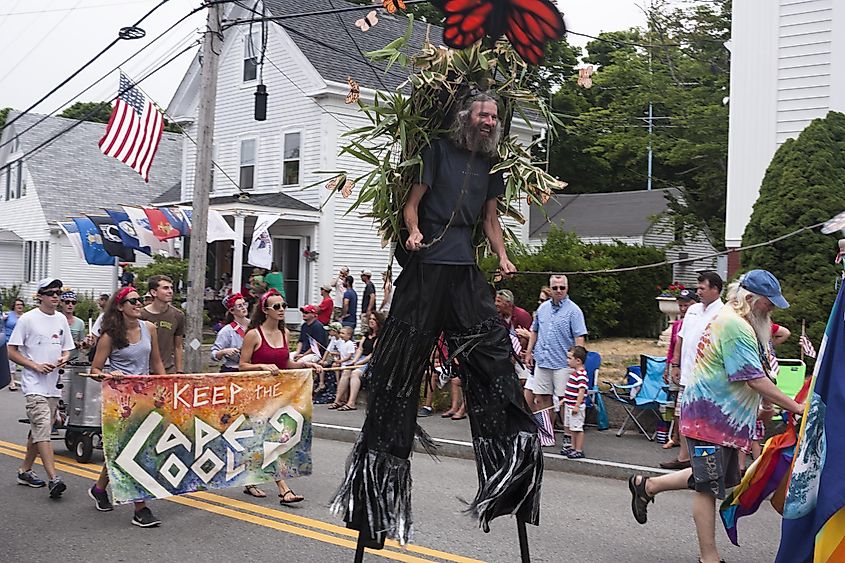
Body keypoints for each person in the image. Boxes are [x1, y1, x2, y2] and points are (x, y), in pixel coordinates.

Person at [331, 92, 542, 544]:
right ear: (466, 116)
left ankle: (511, 474)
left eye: (494, 116)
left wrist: (503, 258)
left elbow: (490, 221)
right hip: (426, 269)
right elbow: (412, 204)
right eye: (482, 114)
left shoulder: (494, 166)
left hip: (465, 271)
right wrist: (412, 231)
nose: (488, 121)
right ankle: (375, 502)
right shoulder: (436, 150)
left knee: (495, 361)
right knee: (398, 372)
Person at [628, 270, 805, 563]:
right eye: (768, 303)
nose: (772, 309)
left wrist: (766, 408)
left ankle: (647, 486)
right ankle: (709, 557)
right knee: (708, 486)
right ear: (750, 299)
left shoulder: (743, 321)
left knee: (717, 478)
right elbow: (754, 379)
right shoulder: (734, 326)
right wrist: (796, 407)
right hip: (708, 420)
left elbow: (756, 375)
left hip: (721, 421)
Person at [88, 286, 166, 527]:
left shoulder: (149, 328)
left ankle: (100, 488)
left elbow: (156, 363)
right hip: (119, 400)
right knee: (133, 452)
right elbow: (94, 370)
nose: (138, 303)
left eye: (140, 299)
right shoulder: (110, 335)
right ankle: (140, 508)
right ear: (120, 306)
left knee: (124, 450)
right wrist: (110, 374)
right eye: (132, 301)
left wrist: (165, 387)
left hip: (144, 398)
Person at [239, 289, 322, 505]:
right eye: (277, 306)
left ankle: (250, 480)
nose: (282, 309)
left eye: (284, 305)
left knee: (273, 439)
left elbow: (286, 364)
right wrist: (261, 366)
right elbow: (242, 366)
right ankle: (283, 489)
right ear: (266, 310)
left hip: (277, 395)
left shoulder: (285, 334)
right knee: (264, 439)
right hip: (255, 395)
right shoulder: (253, 335)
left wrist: (307, 365)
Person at [7, 278, 74, 498]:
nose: (55, 296)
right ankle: (54, 478)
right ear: (40, 296)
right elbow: (11, 350)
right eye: (50, 293)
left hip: (53, 385)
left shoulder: (62, 320)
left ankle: (25, 470)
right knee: (44, 424)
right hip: (34, 383)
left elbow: (67, 350)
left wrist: (64, 358)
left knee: (40, 427)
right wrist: (34, 365)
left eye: (58, 293)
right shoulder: (28, 319)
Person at [662, 271, 724, 470]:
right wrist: (676, 364)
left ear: (715, 289)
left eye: (702, 288)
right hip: (686, 375)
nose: (698, 292)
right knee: (684, 418)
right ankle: (683, 458)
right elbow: (681, 338)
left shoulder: (722, 313)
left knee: (703, 423)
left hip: (707, 378)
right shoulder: (693, 309)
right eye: (697, 288)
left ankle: (703, 461)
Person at [524, 274, 588, 448]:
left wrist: (578, 362)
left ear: (567, 288)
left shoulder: (574, 311)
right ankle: (547, 434)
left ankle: (568, 436)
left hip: (563, 363)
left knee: (565, 399)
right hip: (543, 361)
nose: (558, 291)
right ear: (550, 289)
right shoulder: (543, 309)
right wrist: (529, 352)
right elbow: (535, 331)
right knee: (542, 398)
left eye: (562, 287)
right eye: (555, 288)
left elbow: (579, 337)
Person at [662, 288, 699, 450]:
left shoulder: (699, 321)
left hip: (694, 370)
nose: (683, 309)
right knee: (677, 403)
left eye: (687, 305)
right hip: (678, 368)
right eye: (681, 306)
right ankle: (676, 436)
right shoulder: (677, 325)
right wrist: (668, 367)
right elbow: (672, 348)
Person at [331, 312, 384, 412]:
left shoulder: (381, 336)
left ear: (379, 322)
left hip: (373, 361)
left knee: (355, 373)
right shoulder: (367, 334)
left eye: (374, 319)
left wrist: (359, 363)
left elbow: (373, 354)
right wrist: (354, 361)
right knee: (347, 370)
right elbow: (360, 349)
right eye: (370, 319)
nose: (371, 321)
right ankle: (338, 400)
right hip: (361, 358)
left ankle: (351, 402)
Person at [140, 275, 186, 374]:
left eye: (171, 288)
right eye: (165, 288)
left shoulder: (178, 315)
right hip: (144, 371)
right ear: (154, 292)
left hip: (168, 369)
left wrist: (179, 371)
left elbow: (178, 345)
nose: (170, 291)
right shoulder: (141, 315)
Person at [495, 289, 532, 385]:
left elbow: (524, 339)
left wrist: (515, 357)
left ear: (508, 303)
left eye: (499, 301)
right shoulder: (498, 318)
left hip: (523, 355)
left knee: (522, 380)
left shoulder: (522, 315)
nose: (496, 304)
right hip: (506, 354)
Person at [561, 346, 589, 459]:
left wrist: (577, 405)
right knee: (571, 428)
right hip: (569, 404)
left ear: (578, 360)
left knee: (577, 428)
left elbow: (581, 391)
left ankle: (579, 449)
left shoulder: (581, 375)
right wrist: (565, 399)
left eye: (569, 358)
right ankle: (573, 447)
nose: (567, 361)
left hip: (575, 406)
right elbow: (571, 390)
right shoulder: (574, 373)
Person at [60, 290, 88, 362]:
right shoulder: (56, 320)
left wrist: (81, 344)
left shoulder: (80, 323)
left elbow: (82, 342)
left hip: (74, 360)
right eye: (67, 302)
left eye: (73, 302)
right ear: (61, 303)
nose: (70, 305)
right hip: (58, 359)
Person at [5, 298, 25, 391]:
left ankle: (25, 381)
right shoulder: (8, 315)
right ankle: (11, 381)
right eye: (17, 304)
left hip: (22, 342)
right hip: (9, 341)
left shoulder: (25, 316)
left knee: (25, 360)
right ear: (14, 306)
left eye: (21, 304)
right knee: (11, 362)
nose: (20, 306)